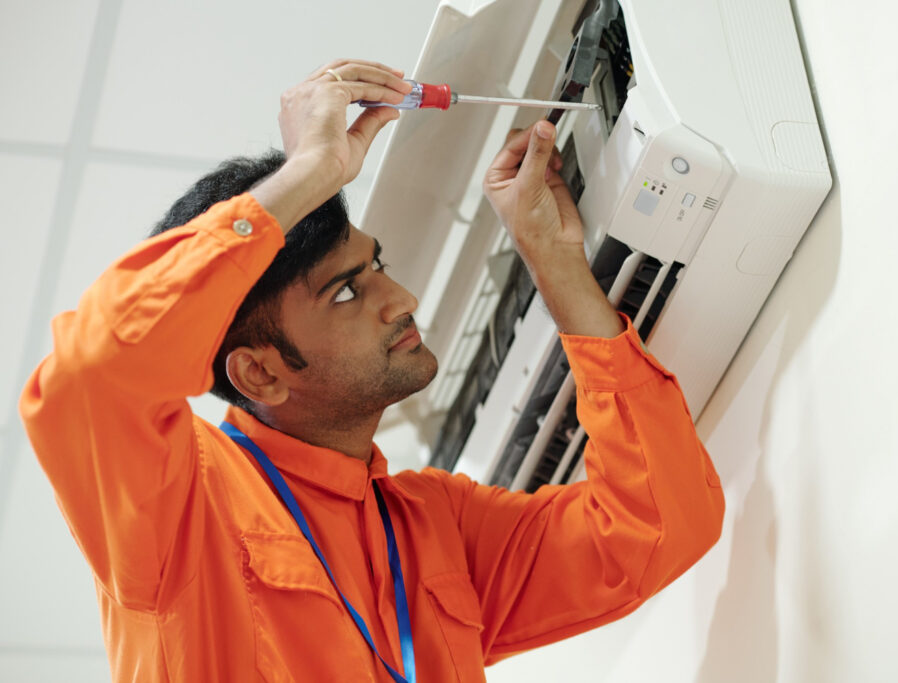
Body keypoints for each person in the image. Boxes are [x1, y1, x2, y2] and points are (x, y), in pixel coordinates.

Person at [20, 59, 725, 682]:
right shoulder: (184, 509)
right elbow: (94, 373)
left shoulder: (433, 527)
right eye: (346, 292)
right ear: (260, 374)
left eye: (376, 266)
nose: (402, 299)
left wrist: (557, 264)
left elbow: (657, 525)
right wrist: (308, 173)